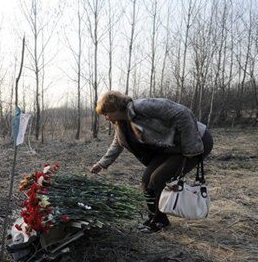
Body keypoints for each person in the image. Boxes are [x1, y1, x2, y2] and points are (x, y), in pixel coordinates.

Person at [90, 91, 213, 233]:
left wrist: (191, 148)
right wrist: (102, 163)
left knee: (158, 179)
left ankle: (159, 221)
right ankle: (156, 217)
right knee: (146, 180)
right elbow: (118, 143)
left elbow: (183, 113)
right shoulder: (121, 123)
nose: (105, 118)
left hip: (195, 141)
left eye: (106, 113)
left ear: (115, 108)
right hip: (171, 148)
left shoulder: (142, 106)